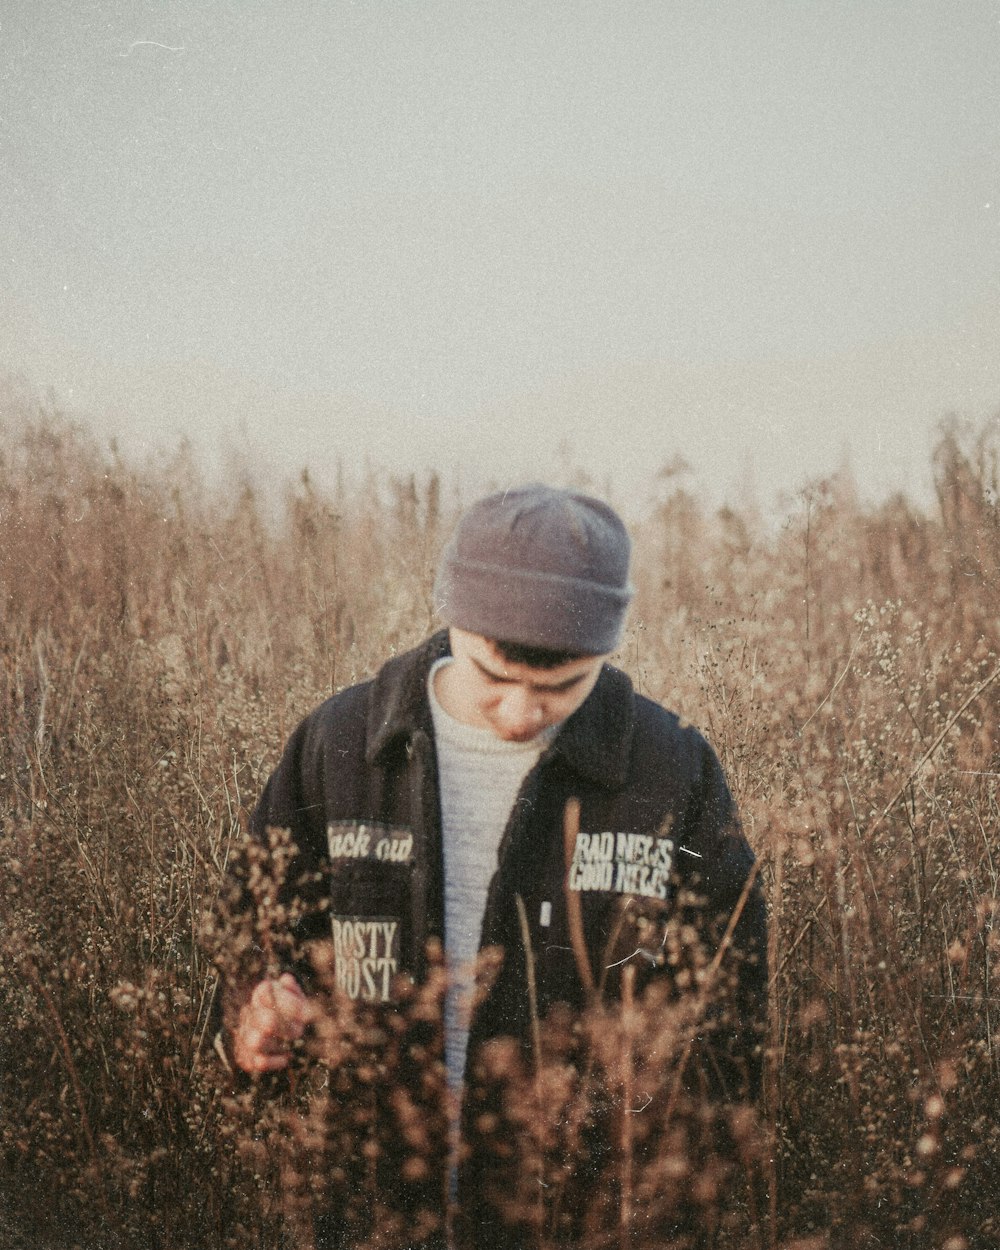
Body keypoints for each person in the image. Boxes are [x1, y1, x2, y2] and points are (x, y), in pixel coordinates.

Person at [214, 484, 767, 1248]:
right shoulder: (340, 742)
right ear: (454, 622)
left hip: (584, 1222)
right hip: (371, 1212)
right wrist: (254, 1013)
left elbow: (730, 1021)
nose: (521, 714)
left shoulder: (673, 772)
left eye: (559, 688)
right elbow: (253, 930)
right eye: (494, 678)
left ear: (606, 652)